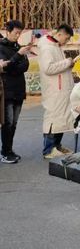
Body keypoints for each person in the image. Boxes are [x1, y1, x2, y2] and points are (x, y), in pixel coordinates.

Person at [38, 24, 78, 159]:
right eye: (66, 38)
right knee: (53, 119)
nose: (67, 41)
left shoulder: (55, 46)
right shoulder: (47, 47)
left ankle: (56, 146)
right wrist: (67, 62)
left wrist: (68, 63)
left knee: (61, 119)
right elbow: (48, 68)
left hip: (61, 89)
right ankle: (49, 150)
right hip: (54, 90)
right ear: (60, 34)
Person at [0, 21, 32, 164]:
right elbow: (6, 68)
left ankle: (9, 150)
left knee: (14, 123)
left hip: (19, 89)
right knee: (7, 123)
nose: (18, 35)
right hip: (7, 90)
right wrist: (18, 56)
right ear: (8, 31)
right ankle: (5, 152)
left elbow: (25, 65)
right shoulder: (1, 47)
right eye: (16, 33)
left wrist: (16, 61)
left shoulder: (18, 47)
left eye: (20, 33)